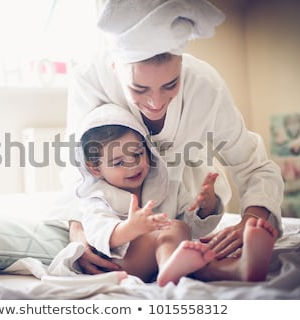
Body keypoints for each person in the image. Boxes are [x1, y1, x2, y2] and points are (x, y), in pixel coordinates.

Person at [64, 0, 283, 282]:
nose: (155, 103)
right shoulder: (90, 81)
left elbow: (253, 164)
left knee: (176, 230)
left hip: (171, 220)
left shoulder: (205, 86)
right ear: (116, 67)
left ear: (182, 65)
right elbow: (77, 173)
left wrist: (252, 219)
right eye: (138, 88)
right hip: (124, 249)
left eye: (171, 85)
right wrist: (78, 233)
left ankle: (221, 267)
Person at [73, 104, 222, 286]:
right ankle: (169, 265)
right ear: (95, 168)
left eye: (137, 154)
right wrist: (131, 228)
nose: (133, 166)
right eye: (119, 162)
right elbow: (98, 234)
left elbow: (193, 228)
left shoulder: (168, 186)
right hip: (121, 263)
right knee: (173, 228)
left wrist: (205, 207)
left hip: (159, 254)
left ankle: (237, 269)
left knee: (199, 248)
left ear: (148, 149)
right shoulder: (98, 197)